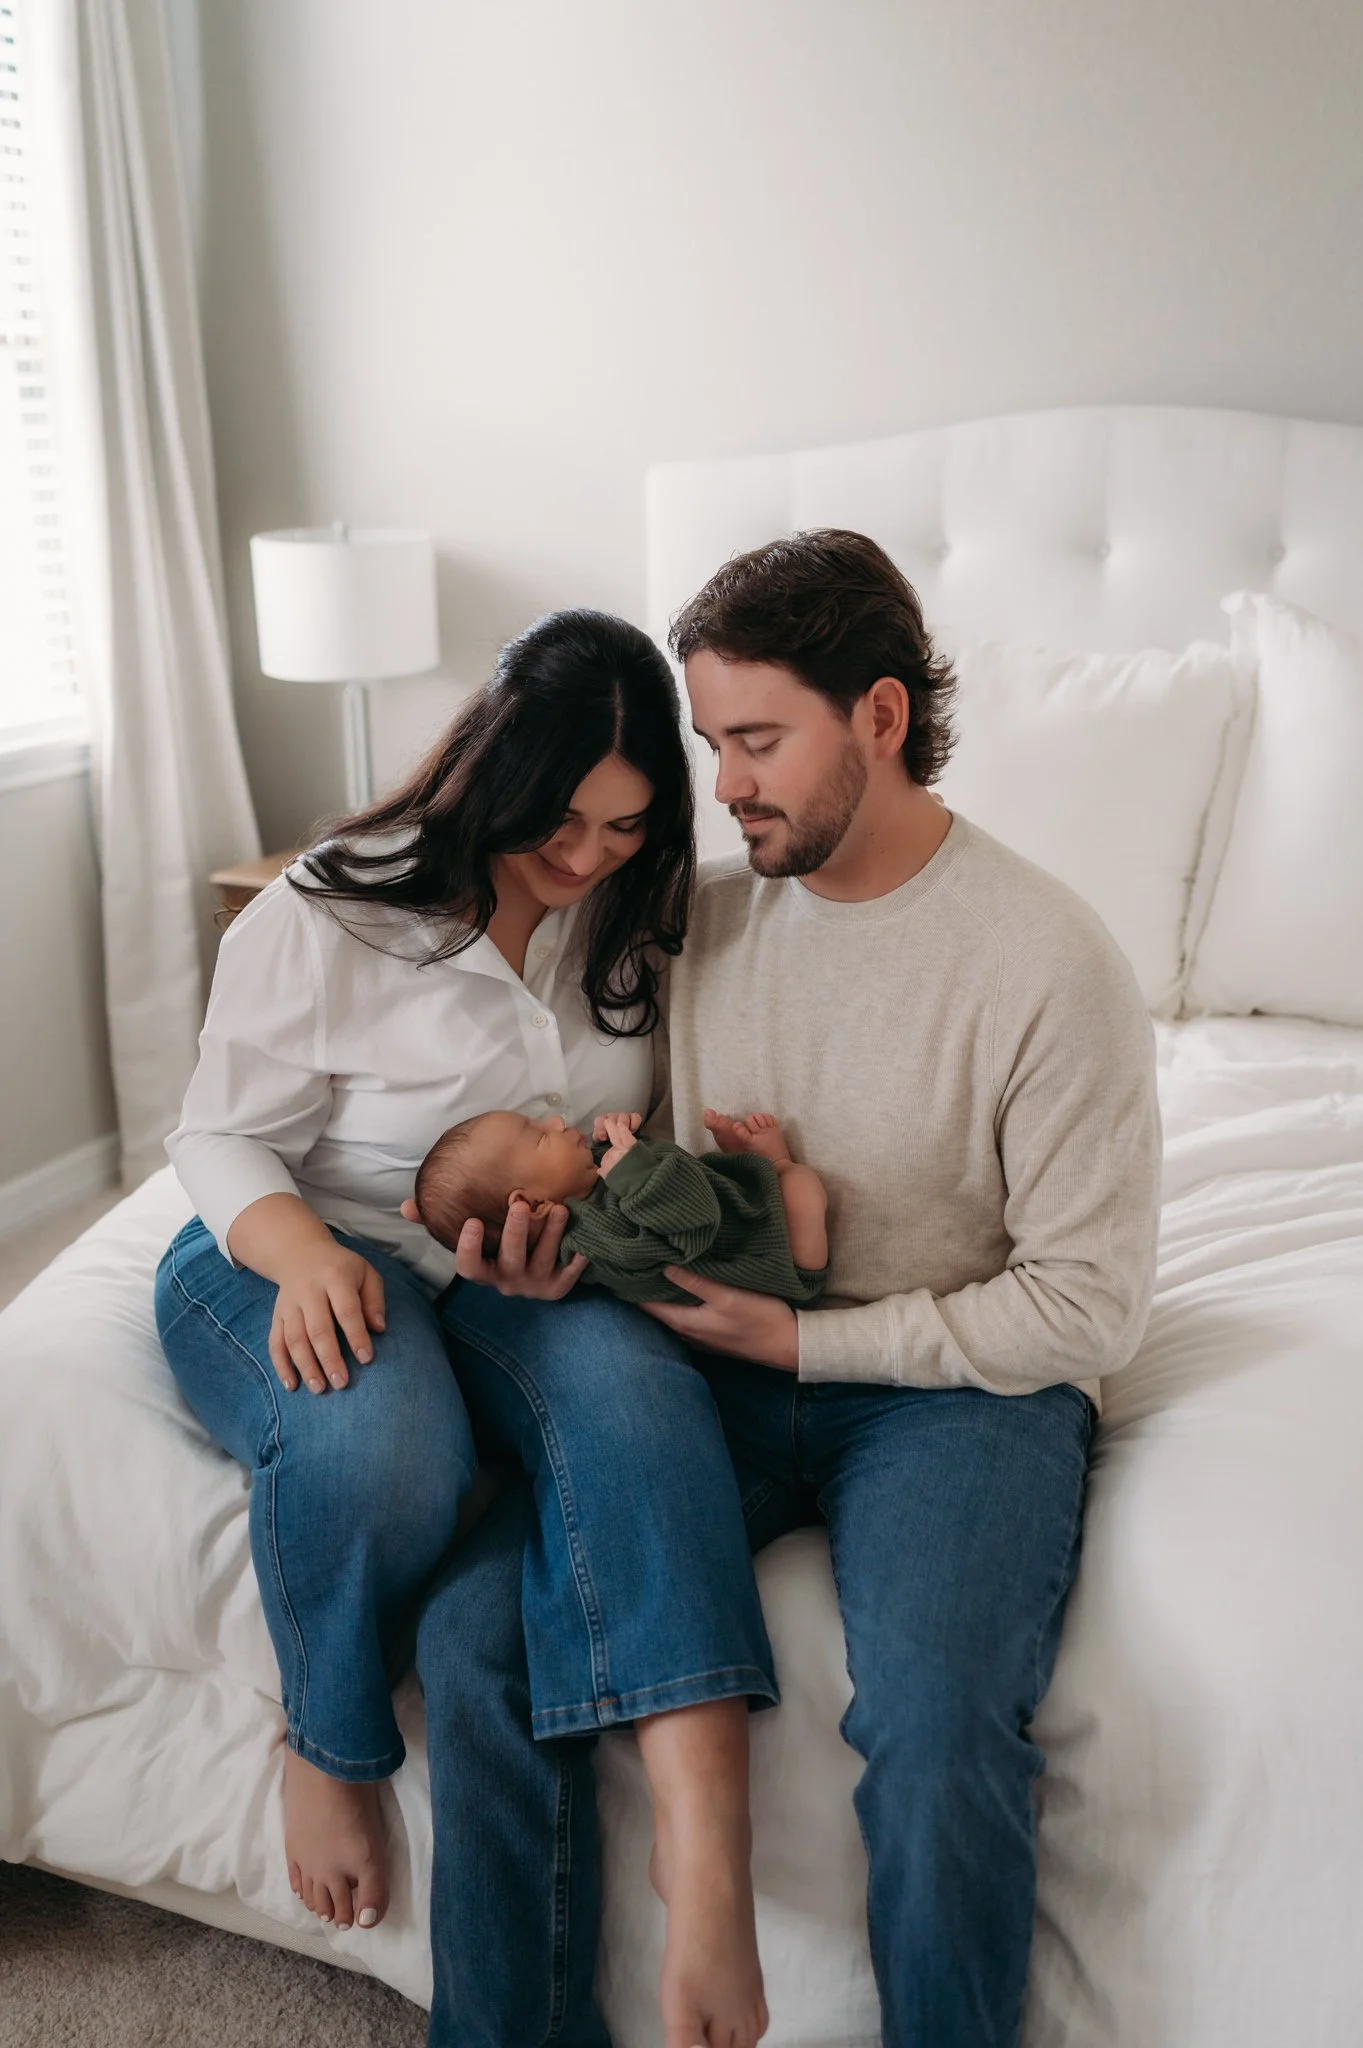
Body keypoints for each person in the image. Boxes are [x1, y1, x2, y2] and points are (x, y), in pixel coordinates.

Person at [418, 530, 1162, 2048]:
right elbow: (545, 1096)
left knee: (938, 1725)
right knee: (477, 1637)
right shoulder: (698, 919)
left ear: (878, 718)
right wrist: (537, 1244)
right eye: (711, 745)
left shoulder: (1045, 962)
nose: (726, 783)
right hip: (718, 1368)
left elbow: (1087, 1309)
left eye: (757, 741)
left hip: (957, 1397)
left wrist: (805, 1339)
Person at [152, 608, 776, 2048]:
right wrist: (301, 1254)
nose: (581, 857)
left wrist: (578, 1250)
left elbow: (640, 1122)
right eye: (557, 820)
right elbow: (216, 1136)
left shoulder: (637, 909)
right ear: (491, 769)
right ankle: (332, 1741)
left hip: (513, 1269)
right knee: (389, 1444)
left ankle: (703, 1859)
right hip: (289, 1241)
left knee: (636, 1403)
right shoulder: (332, 908)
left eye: (621, 827)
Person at [406, 1103, 829, 1305]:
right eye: (538, 1136)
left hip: (729, 1216)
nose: (554, 1122)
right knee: (801, 1188)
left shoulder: (578, 1188)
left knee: (726, 1176)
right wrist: (636, 1172)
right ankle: (776, 1164)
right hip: (768, 1258)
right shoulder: (596, 1244)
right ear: (530, 1206)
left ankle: (758, 1168)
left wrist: (624, 1139)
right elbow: (693, 1227)